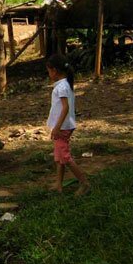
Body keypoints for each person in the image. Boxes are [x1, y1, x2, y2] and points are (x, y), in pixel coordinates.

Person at [46, 54, 90, 196]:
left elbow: (65, 108)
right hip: (64, 126)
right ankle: (58, 184)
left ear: (54, 71)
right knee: (59, 156)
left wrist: (57, 127)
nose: (48, 74)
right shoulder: (65, 85)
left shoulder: (62, 87)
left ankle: (84, 183)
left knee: (65, 157)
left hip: (63, 127)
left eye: (49, 70)